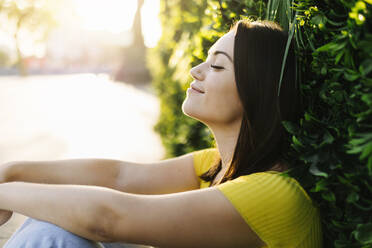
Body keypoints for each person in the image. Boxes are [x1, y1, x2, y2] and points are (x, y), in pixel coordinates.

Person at [0, 19, 322, 247]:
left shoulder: (274, 194)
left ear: (257, 91)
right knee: (58, 218)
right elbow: (119, 176)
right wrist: (12, 171)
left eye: (218, 66)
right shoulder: (217, 165)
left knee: (56, 234)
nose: (196, 71)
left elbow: (107, 218)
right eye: (205, 61)